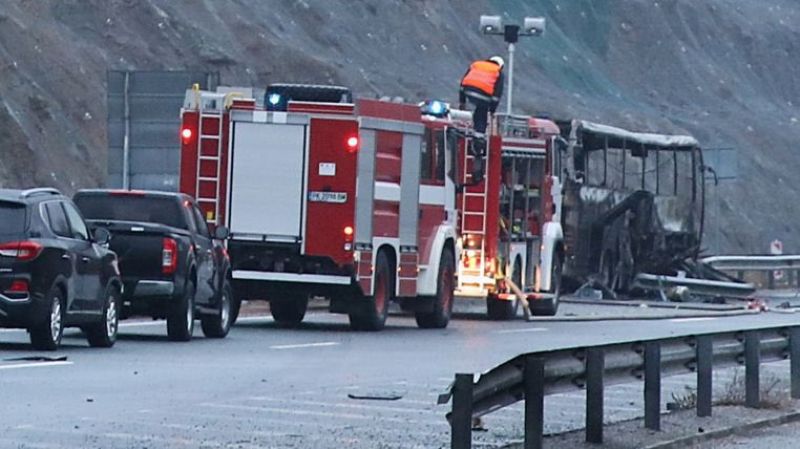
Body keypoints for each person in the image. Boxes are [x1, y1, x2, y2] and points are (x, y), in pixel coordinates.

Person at [458, 56, 505, 138]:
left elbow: (463, 82)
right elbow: (497, 94)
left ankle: (468, 127)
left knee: (478, 109)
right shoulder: (498, 71)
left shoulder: (476, 65)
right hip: (484, 95)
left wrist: (462, 101)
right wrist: (492, 110)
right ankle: (479, 136)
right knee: (482, 111)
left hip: (468, 91)